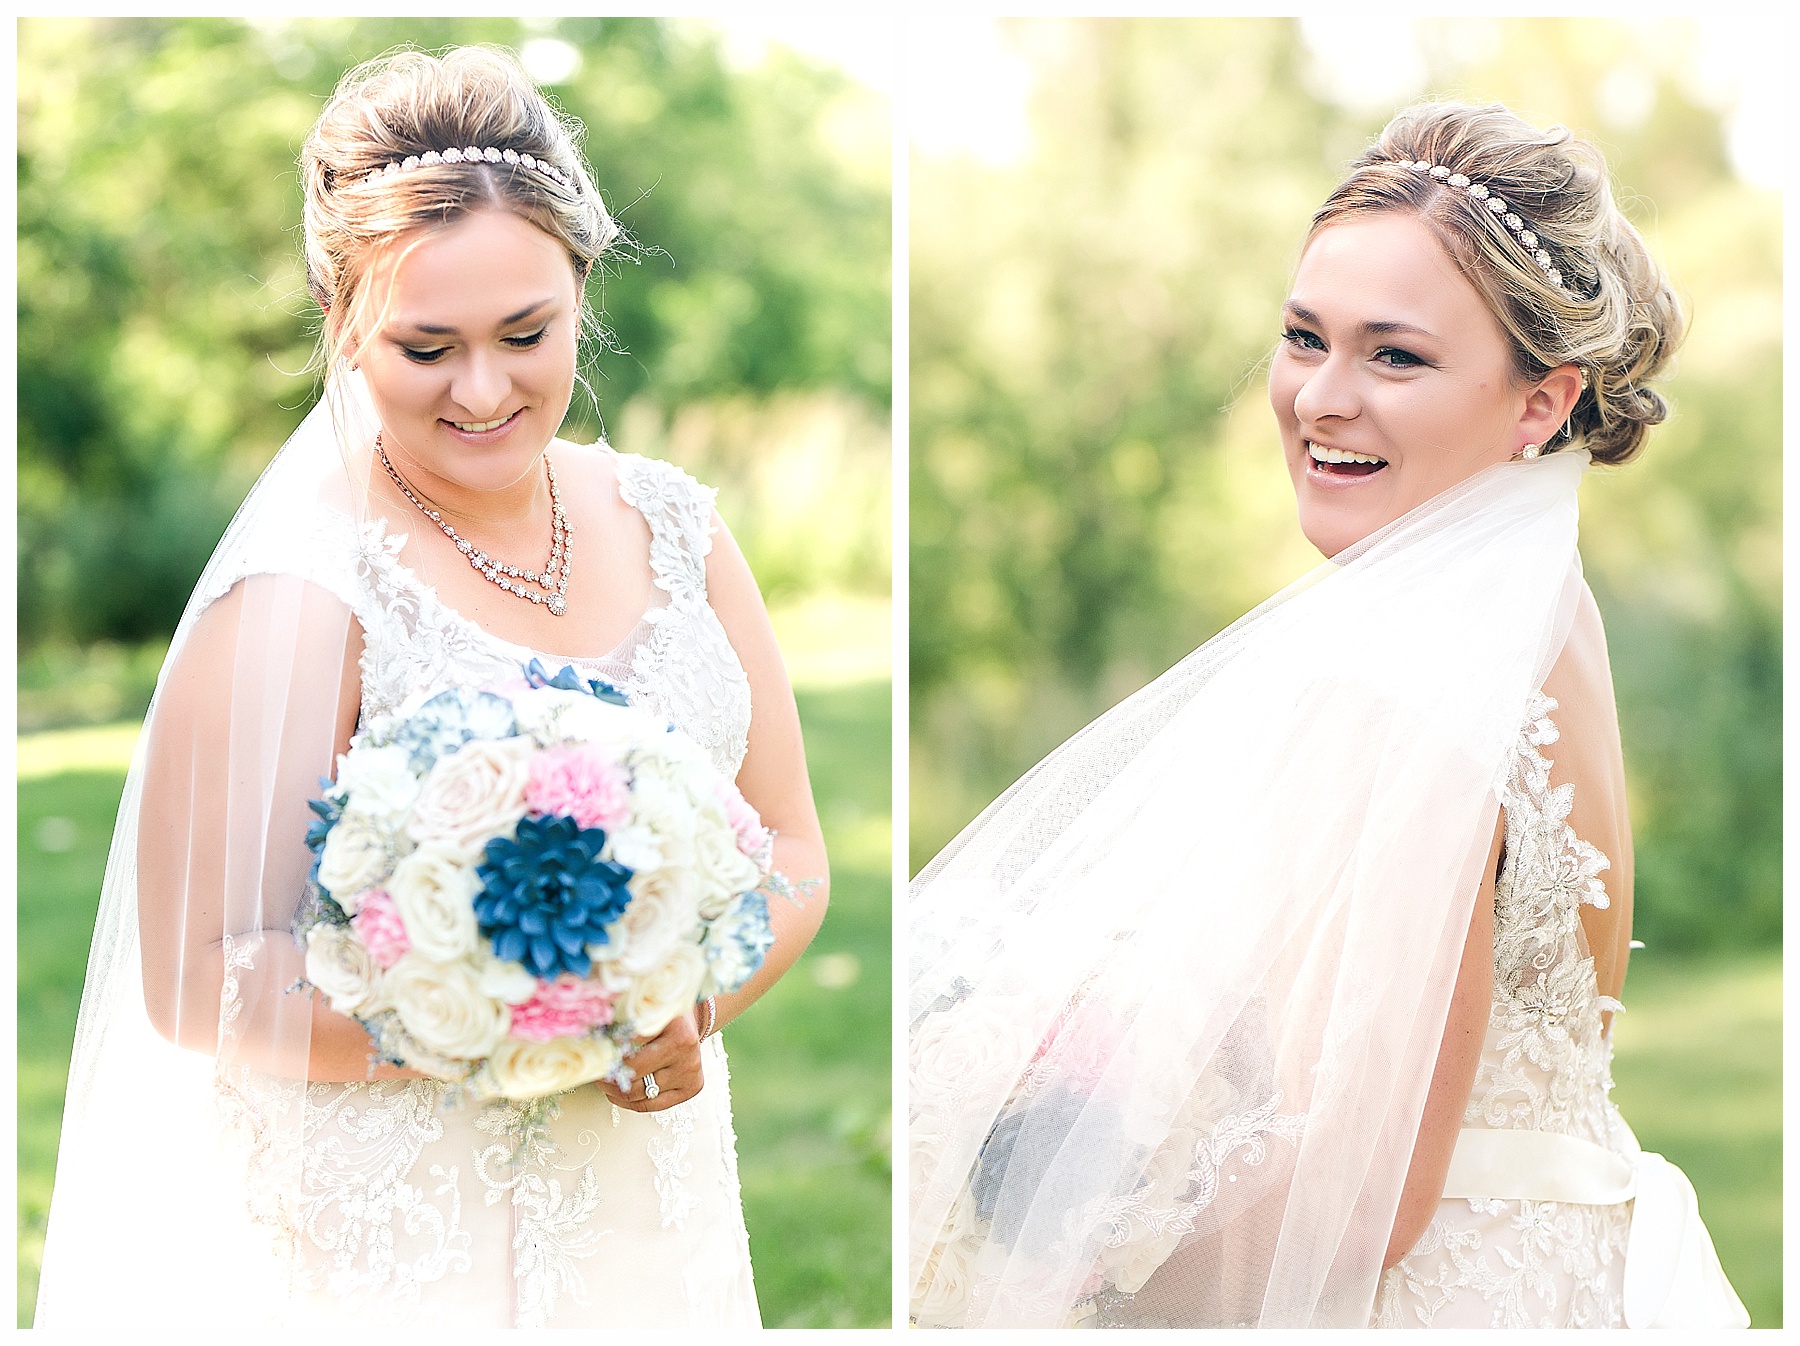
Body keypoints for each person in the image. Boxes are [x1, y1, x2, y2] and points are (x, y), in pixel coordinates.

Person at [908, 102, 1747, 1329]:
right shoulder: (1548, 613)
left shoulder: (1403, 678)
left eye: (1394, 356)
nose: (1320, 399)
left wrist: (1063, 1292)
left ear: (1539, 402)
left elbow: (1359, 1202)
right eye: (1306, 338)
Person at [36, 46, 829, 1328]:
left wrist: (683, 1004)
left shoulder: (676, 526)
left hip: (646, 1191)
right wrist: (501, 1028)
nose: (483, 389)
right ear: (345, 322)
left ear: (581, 284)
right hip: (395, 1240)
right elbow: (193, 977)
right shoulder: (300, 592)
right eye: (425, 346)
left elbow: (790, 840)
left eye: (527, 333)